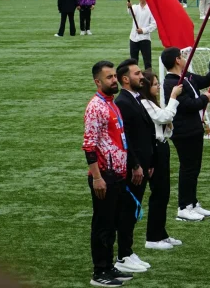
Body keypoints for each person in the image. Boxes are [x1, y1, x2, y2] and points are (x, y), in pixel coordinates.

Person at [160, 47, 210, 222]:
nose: (184, 58)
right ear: (176, 60)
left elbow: (206, 79)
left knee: (195, 167)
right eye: (182, 56)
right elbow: (188, 105)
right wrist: (205, 99)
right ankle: (183, 206)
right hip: (184, 132)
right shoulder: (171, 83)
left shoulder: (187, 76)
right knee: (188, 168)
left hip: (195, 128)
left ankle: (192, 202)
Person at [83, 61, 134, 287]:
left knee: (112, 222)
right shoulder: (96, 107)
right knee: (103, 223)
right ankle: (99, 272)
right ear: (98, 82)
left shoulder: (111, 103)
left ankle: (108, 266)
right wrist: (97, 178)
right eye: (109, 77)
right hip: (103, 175)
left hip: (116, 175)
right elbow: (89, 146)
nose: (114, 80)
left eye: (115, 76)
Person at [113, 59, 153, 274]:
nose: (143, 77)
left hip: (143, 165)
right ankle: (123, 255)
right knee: (128, 211)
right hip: (133, 168)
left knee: (132, 210)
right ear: (126, 79)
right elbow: (125, 139)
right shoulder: (123, 103)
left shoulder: (135, 99)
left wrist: (150, 163)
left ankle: (128, 251)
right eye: (138, 74)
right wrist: (136, 165)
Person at [137, 70, 184, 250]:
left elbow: (165, 125)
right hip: (155, 149)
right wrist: (173, 97)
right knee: (158, 193)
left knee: (164, 193)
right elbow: (163, 116)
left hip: (162, 146)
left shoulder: (151, 102)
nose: (157, 86)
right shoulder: (144, 102)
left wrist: (168, 124)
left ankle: (161, 233)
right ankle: (153, 238)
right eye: (154, 84)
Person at [128, 0, 157, 70]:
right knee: (133, 61)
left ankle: (149, 77)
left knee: (147, 61)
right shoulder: (135, 7)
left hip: (145, 38)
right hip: (133, 38)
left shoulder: (150, 9)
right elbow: (131, 13)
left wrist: (143, 30)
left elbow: (154, 25)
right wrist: (129, 7)